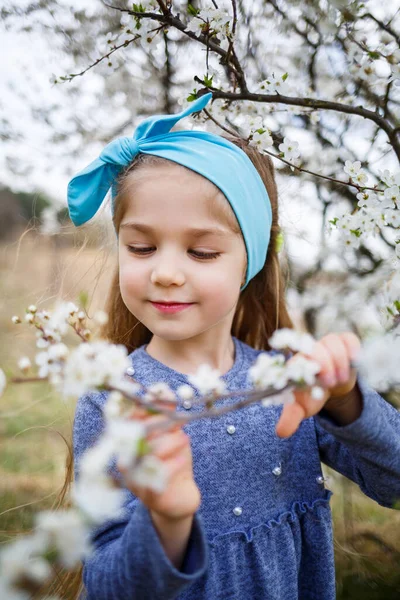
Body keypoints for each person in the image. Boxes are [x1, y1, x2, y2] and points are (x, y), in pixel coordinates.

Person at [67, 93, 400, 600]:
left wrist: (345, 400)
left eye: (201, 251)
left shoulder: (291, 382)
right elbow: (105, 583)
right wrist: (168, 521)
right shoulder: (113, 397)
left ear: (250, 261)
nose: (166, 272)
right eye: (141, 247)